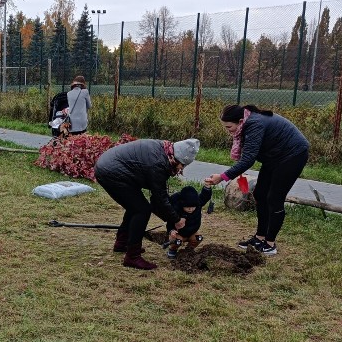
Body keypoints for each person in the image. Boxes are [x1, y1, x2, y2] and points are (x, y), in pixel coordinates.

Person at [204, 104, 310, 256]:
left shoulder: (254, 124)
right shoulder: (247, 123)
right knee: (260, 193)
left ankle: (270, 244)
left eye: (229, 127)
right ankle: (259, 238)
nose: (228, 131)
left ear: (240, 121)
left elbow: (248, 160)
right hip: (274, 156)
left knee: (274, 198)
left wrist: (222, 177)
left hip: (293, 155)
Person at [94, 138, 200, 270]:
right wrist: (176, 220)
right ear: (175, 156)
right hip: (111, 172)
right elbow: (159, 198)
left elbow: (158, 198)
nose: (180, 168)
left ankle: (122, 243)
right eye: (181, 164)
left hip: (112, 166)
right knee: (142, 210)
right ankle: (132, 257)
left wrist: (171, 216)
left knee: (135, 206)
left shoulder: (164, 150)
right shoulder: (158, 164)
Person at [164, 185, 213, 258]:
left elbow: (204, 196)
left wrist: (207, 187)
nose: (190, 209)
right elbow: (170, 222)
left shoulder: (198, 204)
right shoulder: (175, 209)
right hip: (179, 234)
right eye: (187, 207)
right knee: (177, 242)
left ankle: (189, 250)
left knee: (199, 238)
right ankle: (172, 250)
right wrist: (171, 231)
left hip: (192, 233)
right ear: (182, 204)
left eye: (193, 207)